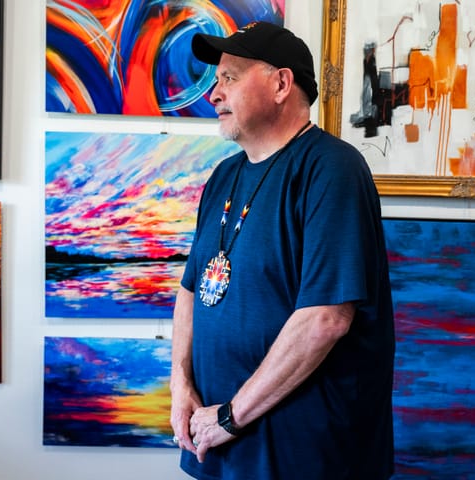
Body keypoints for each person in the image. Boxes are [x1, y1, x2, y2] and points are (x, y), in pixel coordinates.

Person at [169, 21, 395, 480]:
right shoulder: (222, 179)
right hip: (222, 445)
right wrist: (180, 385)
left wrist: (232, 415)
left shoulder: (332, 169)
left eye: (229, 77)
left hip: (304, 456)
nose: (214, 93)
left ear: (280, 84)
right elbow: (192, 290)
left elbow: (326, 318)